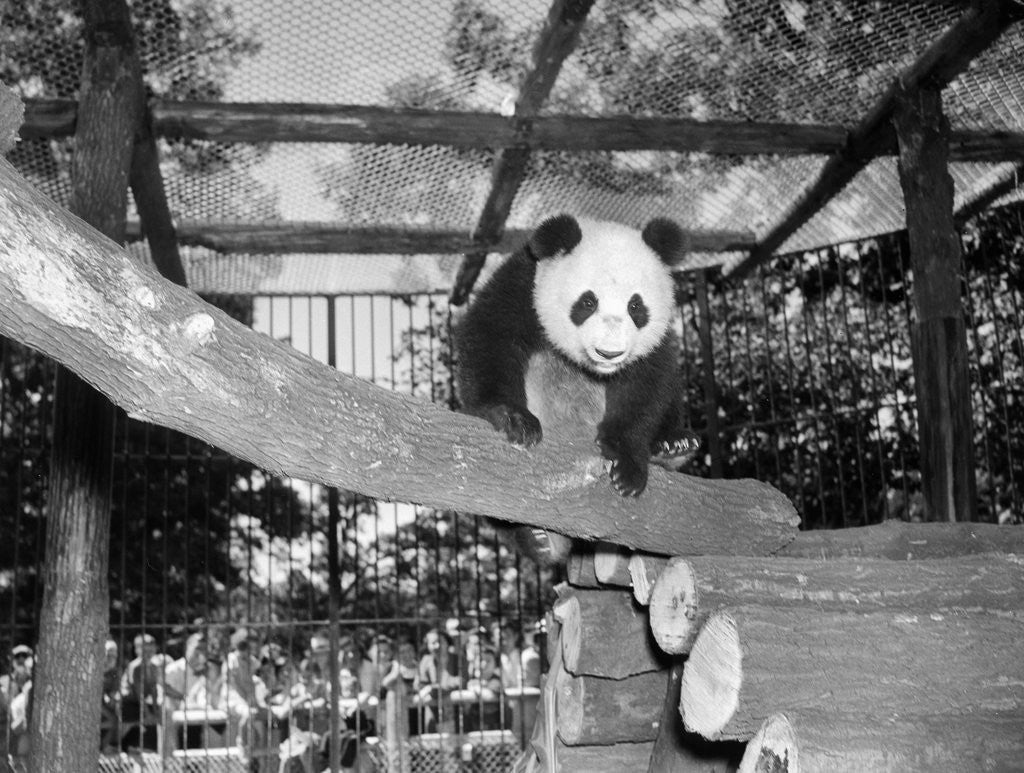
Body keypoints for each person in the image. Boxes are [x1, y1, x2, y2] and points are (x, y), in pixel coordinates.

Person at [119, 634, 161, 751]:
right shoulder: (135, 667)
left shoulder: (154, 666)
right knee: (142, 717)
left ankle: (151, 747)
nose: (148, 653)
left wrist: (155, 709)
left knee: (159, 714)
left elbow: (153, 689)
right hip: (129, 703)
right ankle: (125, 745)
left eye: (151, 649)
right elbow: (139, 693)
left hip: (140, 703)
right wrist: (148, 713)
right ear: (138, 650)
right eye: (145, 649)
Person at [100, 639, 122, 752]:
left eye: (114, 655)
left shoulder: (114, 673)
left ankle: (105, 746)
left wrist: (113, 699)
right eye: (108, 654)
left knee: (115, 718)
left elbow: (113, 692)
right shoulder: (95, 668)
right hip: (93, 703)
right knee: (112, 719)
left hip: (102, 704)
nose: (111, 658)